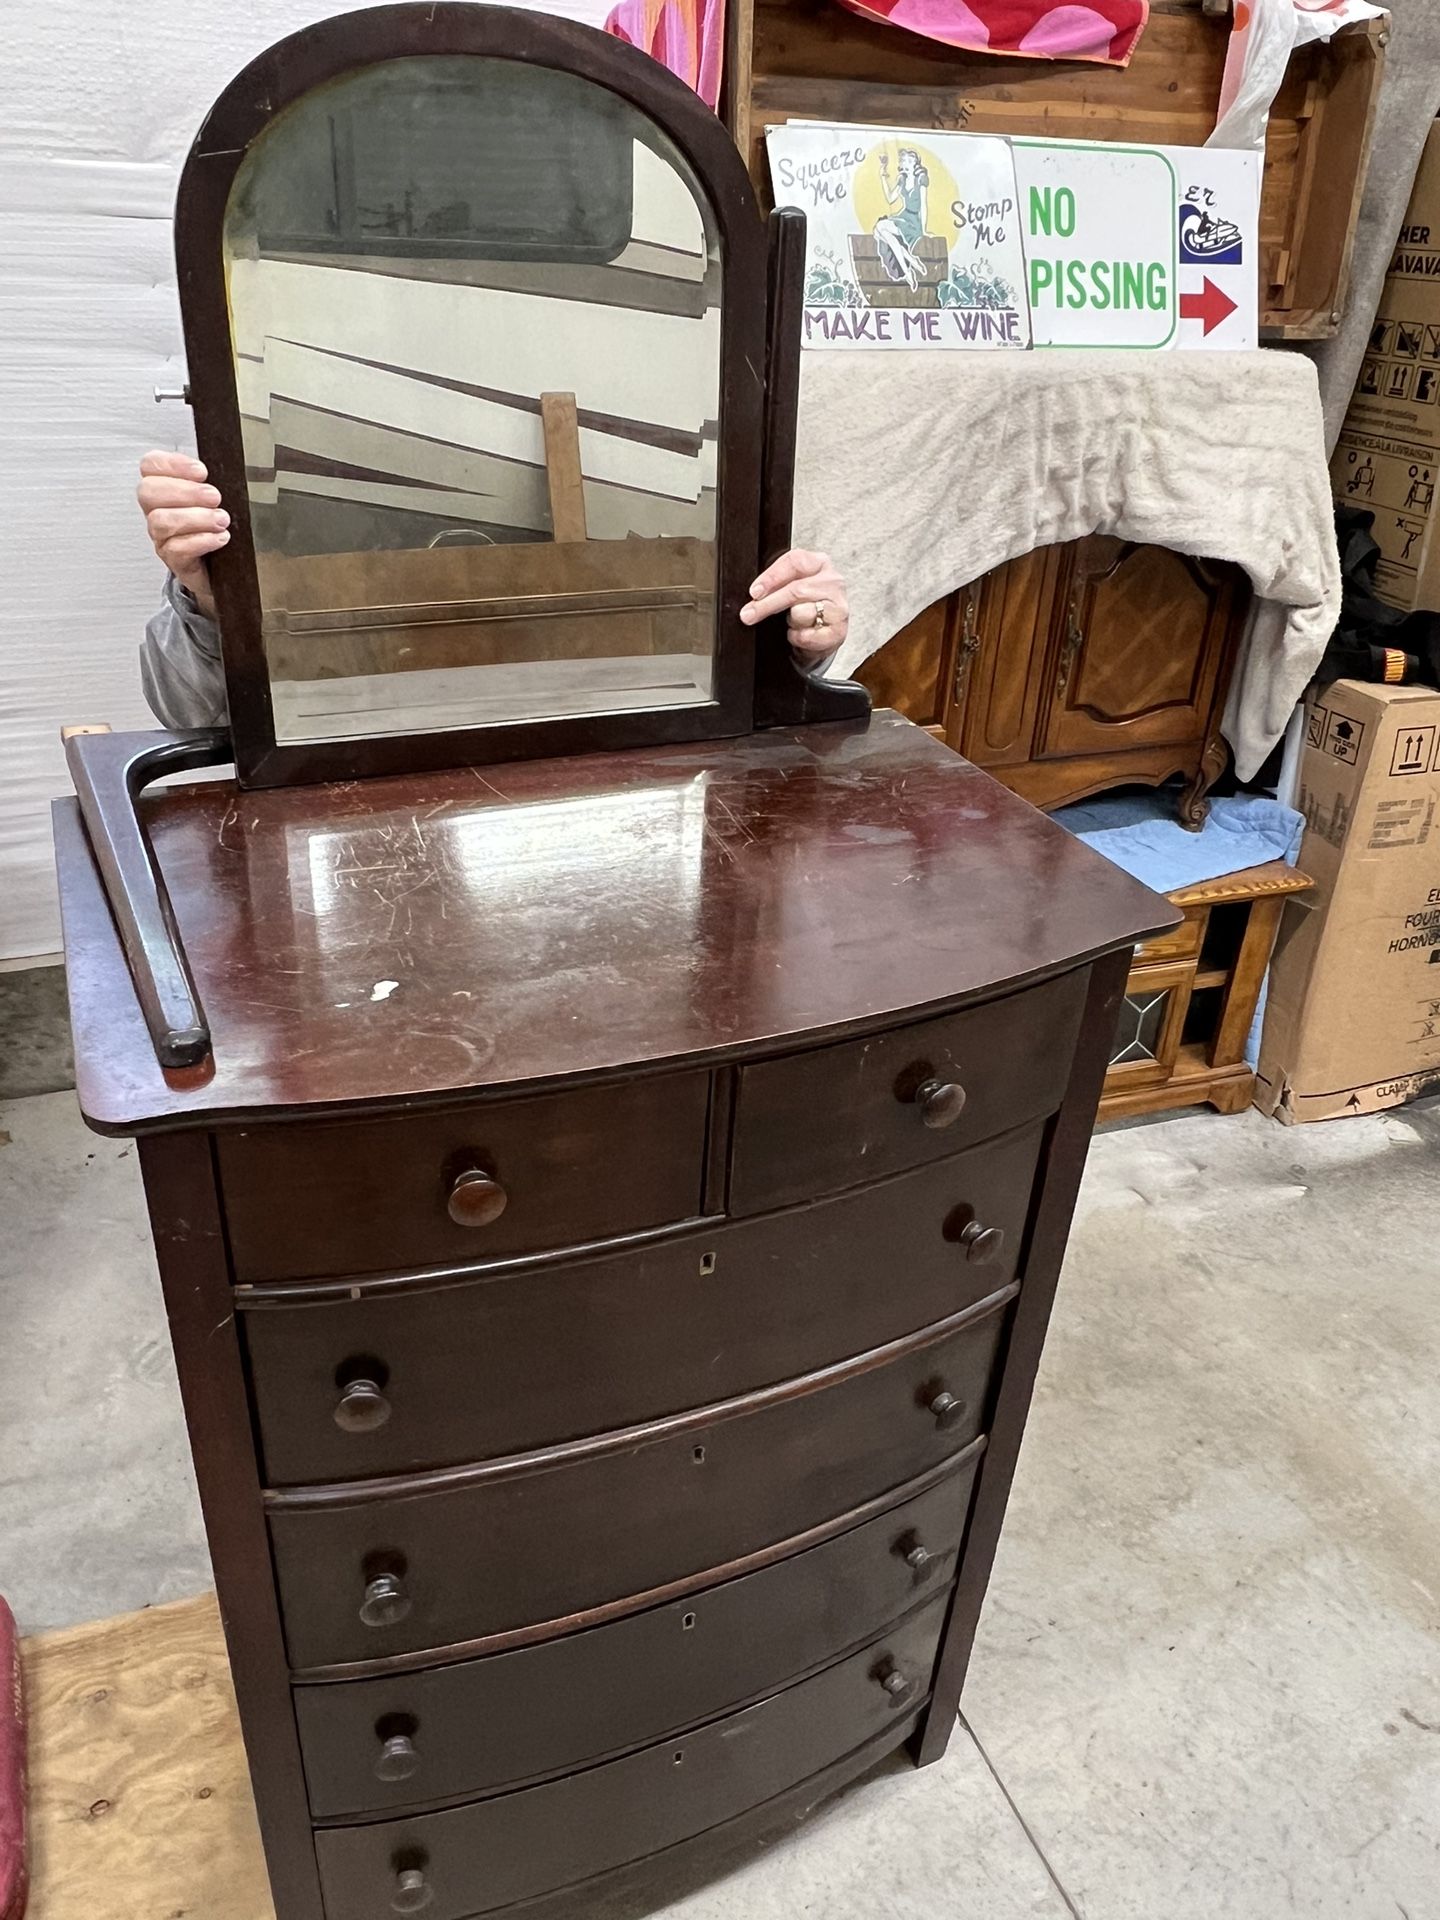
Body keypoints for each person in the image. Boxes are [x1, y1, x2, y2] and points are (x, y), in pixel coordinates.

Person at [136, 451, 851, 730]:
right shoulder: (300, 534)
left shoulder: (649, 551)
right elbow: (189, 711)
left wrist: (798, 636)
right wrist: (205, 596)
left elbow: (742, 682)